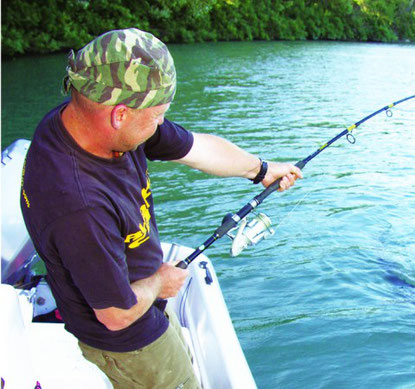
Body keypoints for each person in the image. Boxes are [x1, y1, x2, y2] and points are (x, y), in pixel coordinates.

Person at [20, 28, 302, 389]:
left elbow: (196, 148)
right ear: (120, 114)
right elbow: (116, 315)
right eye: (157, 116)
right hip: (125, 341)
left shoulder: (90, 118)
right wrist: (159, 283)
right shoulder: (78, 204)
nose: (160, 124)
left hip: (138, 297)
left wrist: (261, 170)